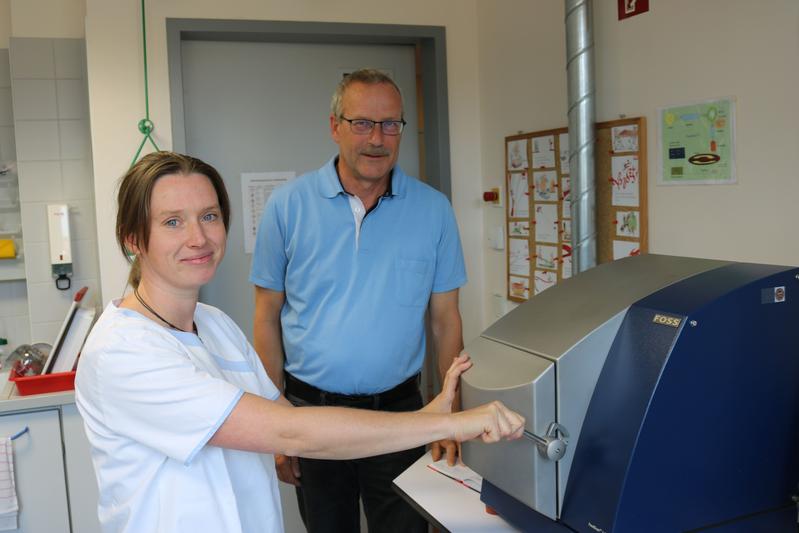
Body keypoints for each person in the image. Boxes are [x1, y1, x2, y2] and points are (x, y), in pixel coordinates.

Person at [74, 151, 524, 533]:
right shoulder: (123, 350)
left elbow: (298, 424)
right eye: (173, 222)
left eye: (209, 216)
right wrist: (450, 423)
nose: (199, 237)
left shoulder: (212, 325)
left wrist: (425, 416)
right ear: (133, 239)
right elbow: (289, 431)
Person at [250, 69, 467, 532]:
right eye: (362, 123)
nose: (377, 138)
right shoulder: (287, 207)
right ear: (335, 126)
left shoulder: (434, 210)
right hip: (312, 414)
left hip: (400, 416)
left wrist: (450, 417)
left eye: (391, 124)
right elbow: (266, 316)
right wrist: (275, 422)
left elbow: (446, 321)